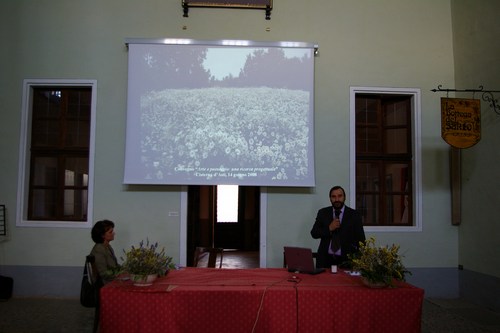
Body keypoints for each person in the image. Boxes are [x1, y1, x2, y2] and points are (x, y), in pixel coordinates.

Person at [310, 185, 365, 268]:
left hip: (347, 262)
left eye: (340, 196)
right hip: (325, 260)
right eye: (333, 197)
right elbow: (314, 233)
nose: (337, 199)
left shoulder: (354, 215)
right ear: (330, 198)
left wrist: (358, 262)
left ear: (344, 197)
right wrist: (329, 228)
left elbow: (361, 240)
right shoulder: (323, 213)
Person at [90, 219, 119, 284]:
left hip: (112, 280)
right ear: (102, 235)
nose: (114, 233)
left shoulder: (108, 247)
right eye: (110, 232)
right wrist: (119, 276)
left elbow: (115, 266)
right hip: (104, 284)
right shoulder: (99, 250)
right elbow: (103, 273)